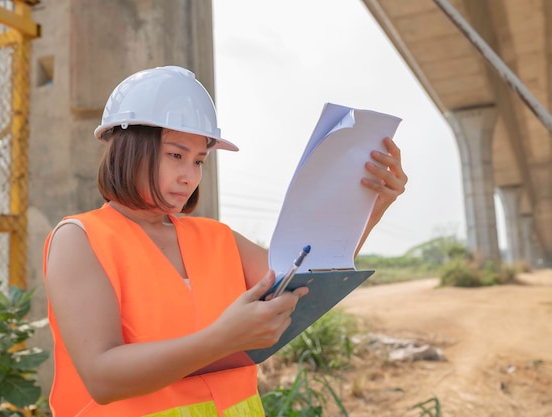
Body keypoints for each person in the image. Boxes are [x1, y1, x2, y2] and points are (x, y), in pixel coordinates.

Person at [43, 65, 408, 417]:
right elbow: (102, 378)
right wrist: (222, 338)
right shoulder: (81, 239)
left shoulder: (217, 238)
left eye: (199, 161)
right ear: (127, 149)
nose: (189, 176)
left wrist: (371, 207)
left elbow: (308, 277)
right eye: (175, 155)